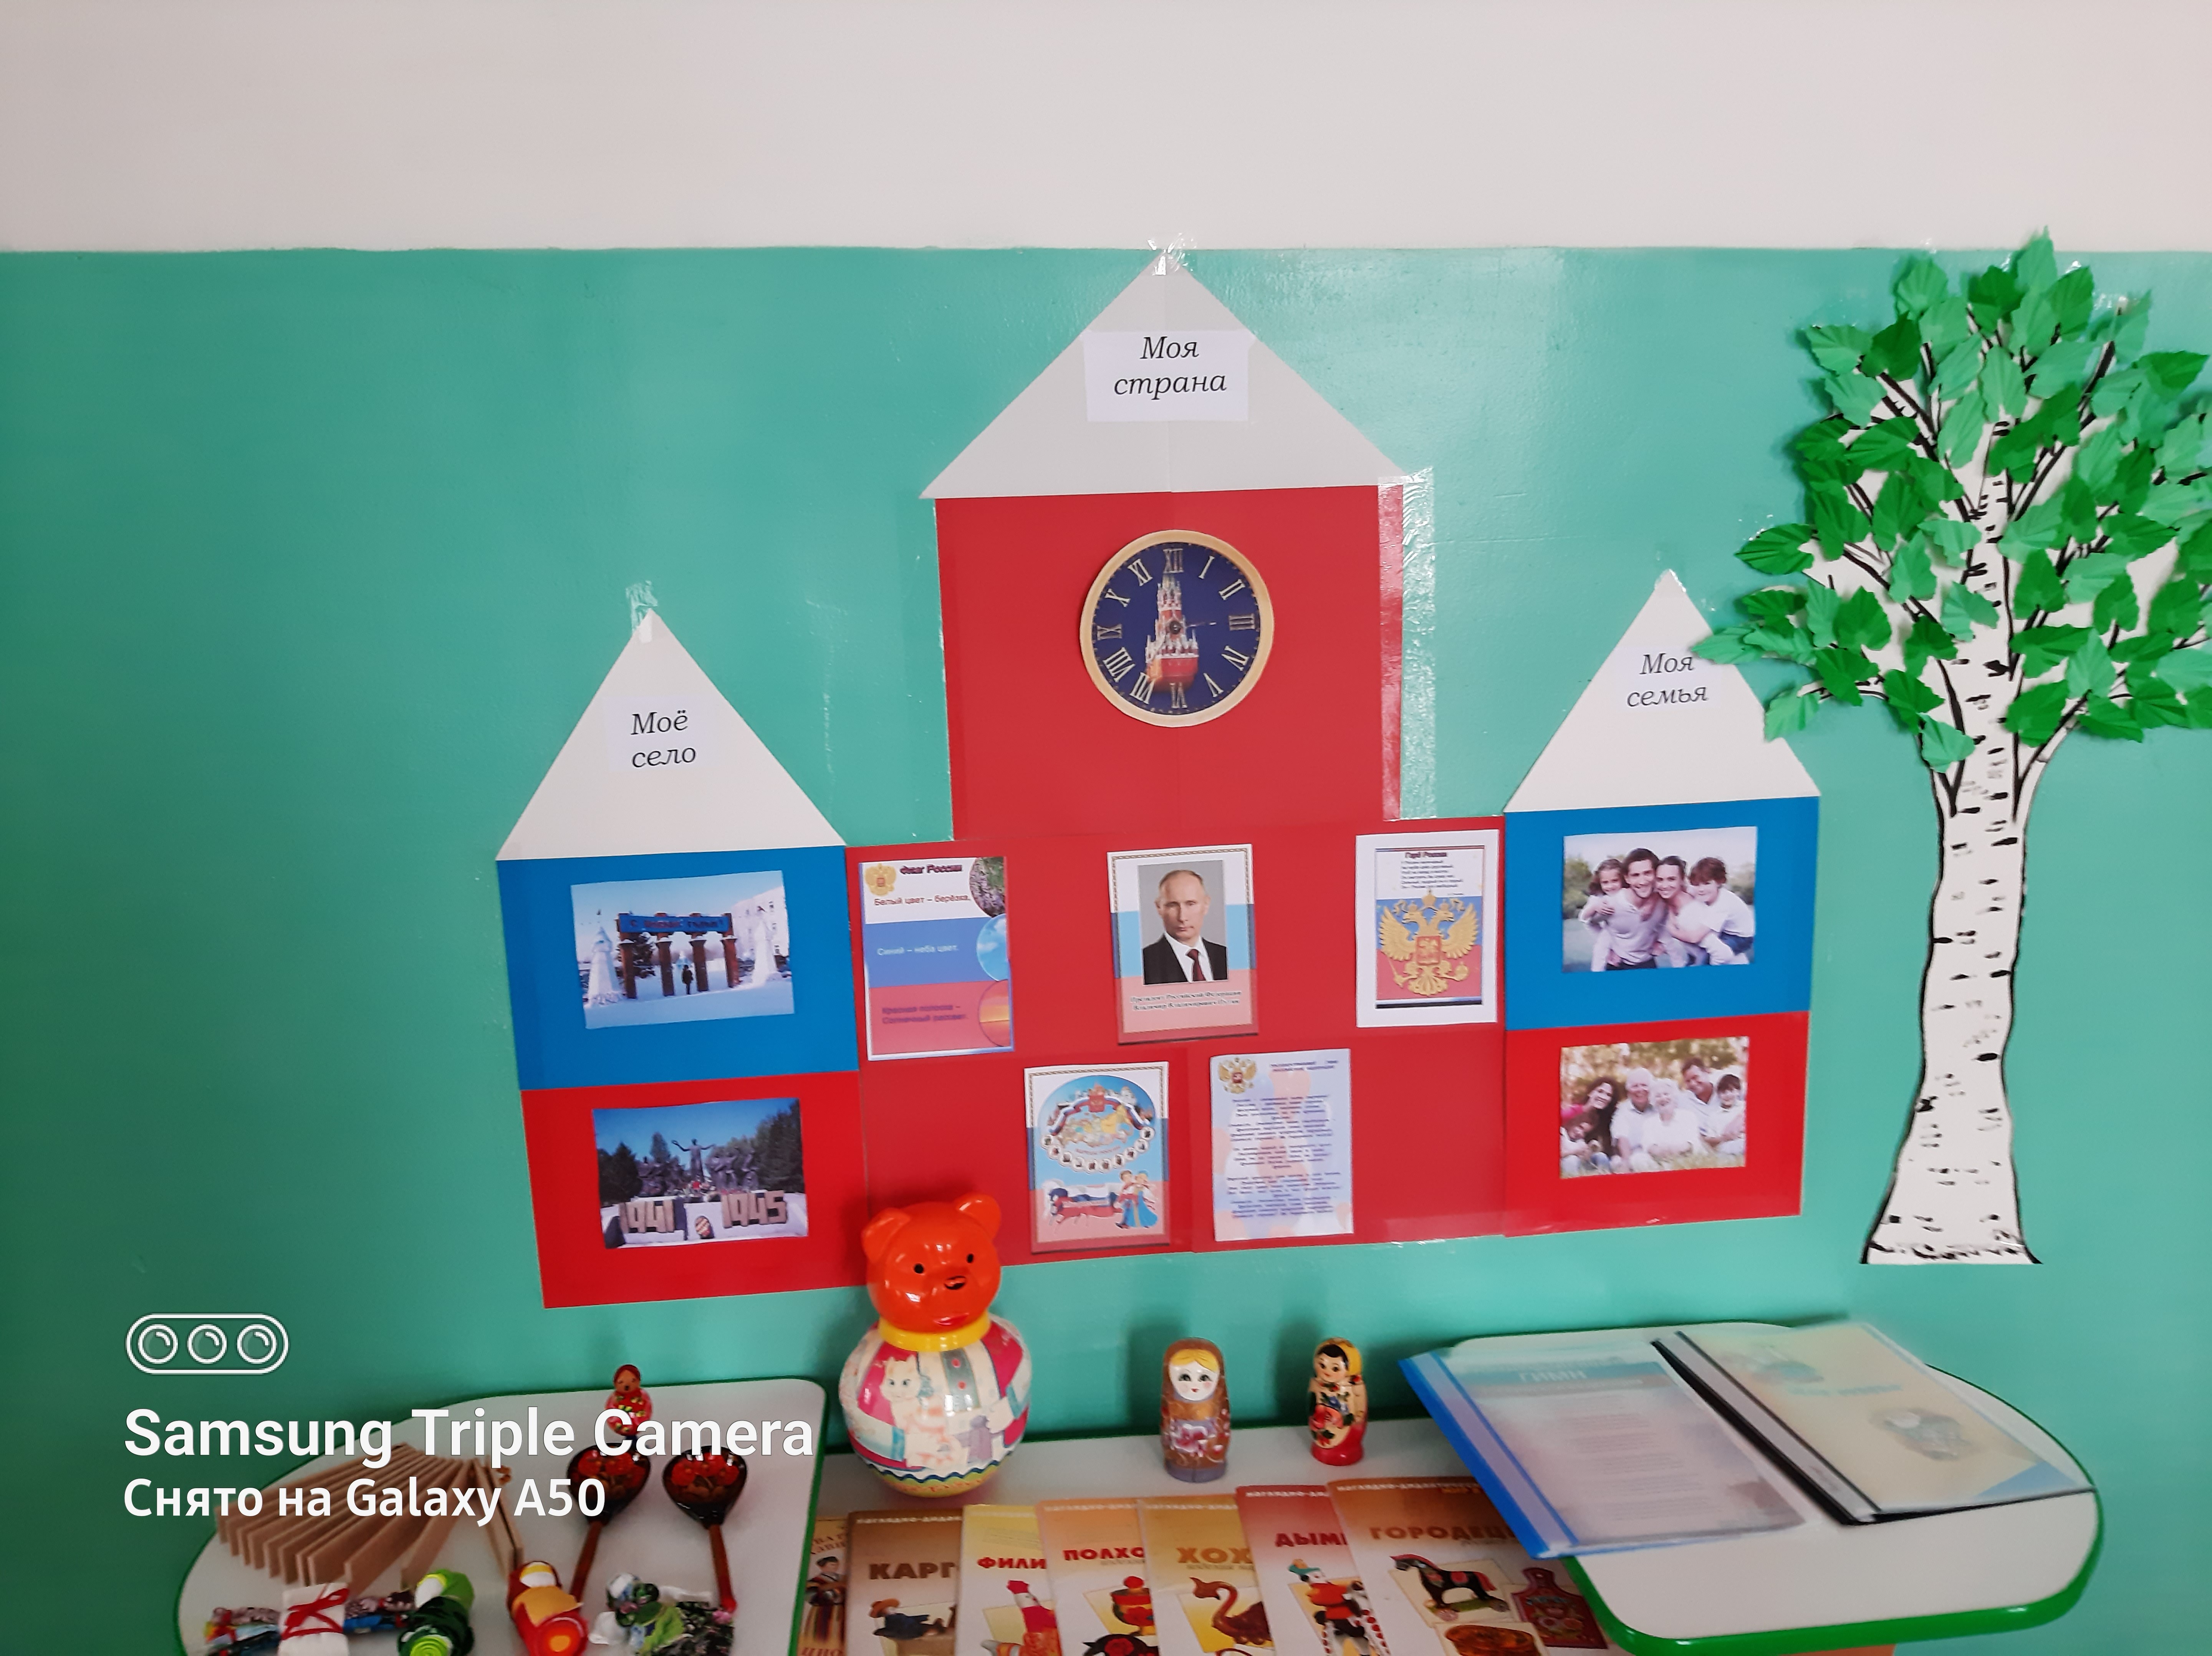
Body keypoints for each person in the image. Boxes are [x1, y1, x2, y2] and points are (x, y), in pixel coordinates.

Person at [1581, 849, 1667, 969]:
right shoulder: (1600, 899)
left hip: (1644, 957)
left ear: (1623, 880)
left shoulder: (1643, 894)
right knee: (1601, 949)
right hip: (1611, 941)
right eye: (1605, 883)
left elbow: (1657, 896)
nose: (1610, 886)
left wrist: (1651, 903)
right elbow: (1586, 920)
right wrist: (1595, 908)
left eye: (1615, 881)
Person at [1142, 869, 1231, 984]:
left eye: (1191, 904)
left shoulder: (1227, 957)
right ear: (1159, 908)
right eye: (1173, 905)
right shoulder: (1144, 963)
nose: (1182, 917)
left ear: (1206, 904)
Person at [1671, 857, 1756, 965]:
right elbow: (1685, 888)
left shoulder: (1723, 904)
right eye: (1697, 884)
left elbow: (1695, 938)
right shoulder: (1704, 892)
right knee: (1699, 949)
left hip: (1741, 937)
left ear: (1719, 882)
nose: (1701, 889)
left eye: (1707, 884)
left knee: (1709, 955)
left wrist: (1673, 931)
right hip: (1727, 930)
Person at [1629, 1078, 1704, 1167]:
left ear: (1674, 1097)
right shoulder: (1649, 1123)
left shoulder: (1688, 1116)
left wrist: (1674, 1150)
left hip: (1685, 1159)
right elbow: (1649, 1146)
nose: (1663, 1098)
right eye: (1658, 1096)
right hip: (1659, 1161)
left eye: (1666, 1094)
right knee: (1637, 1158)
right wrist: (1662, 1152)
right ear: (1653, 1101)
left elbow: (1692, 1143)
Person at [1609, 1068, 1656, 1159]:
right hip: (1634, 1157)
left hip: (1659, 1156)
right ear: (1629, 1092)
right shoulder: (1622, 1111)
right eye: (1635, 1086)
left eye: (1644, 1085)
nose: (1640, 1090)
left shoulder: (1659, 1107)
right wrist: (1628, 1161)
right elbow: (1622, 1138)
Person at [1700, 1071, 1747, 1158]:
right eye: (1724, 1092)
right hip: (1725, 1147)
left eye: (1732, 1091)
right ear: (1718, 1094)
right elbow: (1709, 1139)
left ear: (1739, 1092)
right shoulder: (1714, 1116)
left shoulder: (1744, 1108)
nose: (1728, 1095)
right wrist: (1724, 1138)